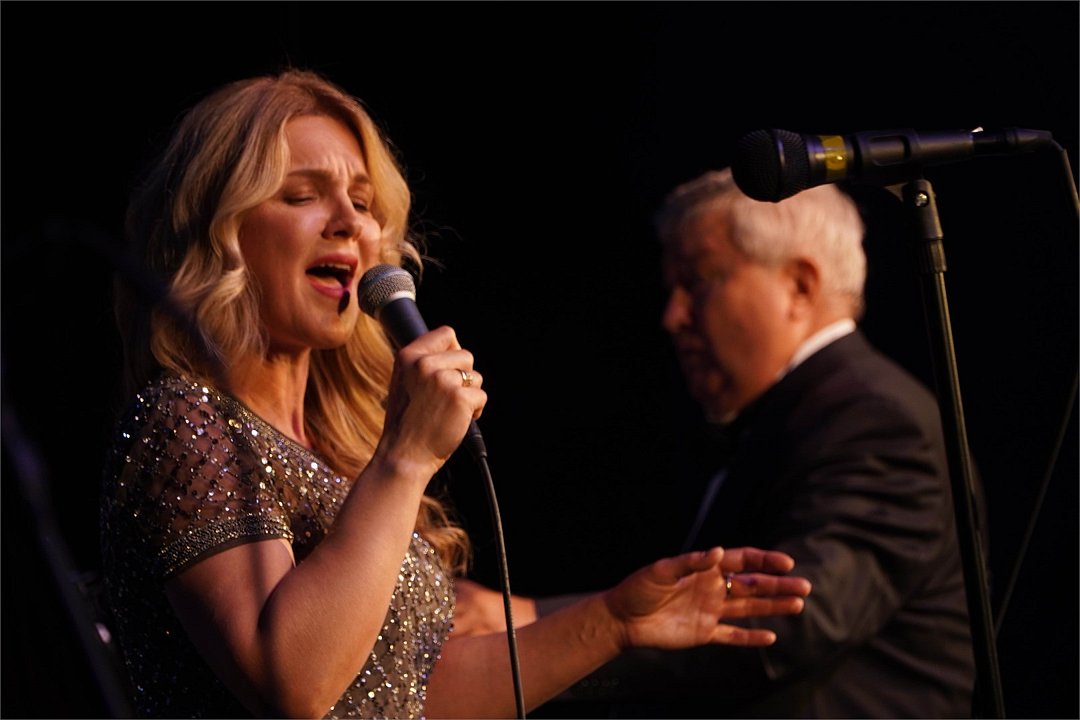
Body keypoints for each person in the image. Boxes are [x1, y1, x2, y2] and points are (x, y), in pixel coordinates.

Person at [98, 70, 814, 720]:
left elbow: (409, 695)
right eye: (303, 196)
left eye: (362, 202)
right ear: (221, 230)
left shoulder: (342, 448)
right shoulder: (186, 423)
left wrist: (613, 622)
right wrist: (405, 457)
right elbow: (291, 683)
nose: (350, 222)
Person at [457, 168, 979, 718]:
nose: (673, 317)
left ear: (799, 286)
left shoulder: (877, 421)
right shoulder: (791, 414)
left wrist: (537, 626)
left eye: (699, 281)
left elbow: (781, 617)